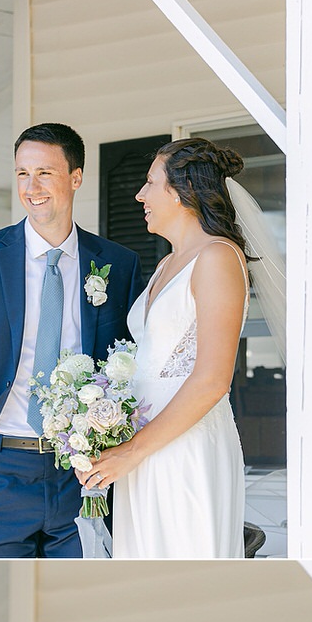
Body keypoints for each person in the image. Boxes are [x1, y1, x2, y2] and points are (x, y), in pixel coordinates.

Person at [0, 123, 145, 558]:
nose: (32, 186)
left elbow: (132, 367)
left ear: (76, 177)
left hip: (81, 477)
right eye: (23, 173)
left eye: (44, 172)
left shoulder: (118, 264)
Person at [78, 139, 248, 558]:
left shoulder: (217, 257)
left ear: (180, 190)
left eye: (150, 183)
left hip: (186, 447)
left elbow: (212, 380)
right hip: (145, 447)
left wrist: (131, 452)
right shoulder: (168, 263)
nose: (140, 195)